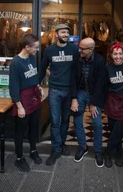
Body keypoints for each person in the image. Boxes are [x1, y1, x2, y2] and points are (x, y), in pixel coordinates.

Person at [39, 23, 79, 166]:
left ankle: (61, 143)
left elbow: (77, 71)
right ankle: (56, 149)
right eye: (63, 32)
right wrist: (37, 84)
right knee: (55, 121)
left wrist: (76, 94)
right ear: (56, 34)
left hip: (69, 91)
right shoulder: (49, 50)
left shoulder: (74, 49)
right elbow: (43, 68)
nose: (66, 35)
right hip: (55, 90)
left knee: (65, 120)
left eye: (67, 33)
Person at [9, 33, 44, 172]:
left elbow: (33, 75)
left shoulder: (31, 58)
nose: (37, 49)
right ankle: (19, 158)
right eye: (35, 47)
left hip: (34, 97)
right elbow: (14, 86)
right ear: (27, 47)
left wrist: (38, 86)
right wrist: (19, 106)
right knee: (20, 131)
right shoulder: (16, 62)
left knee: (33, 127)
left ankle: (33, 151)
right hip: (23, 99)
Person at [70, 37, 107, 168]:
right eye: (79, 47)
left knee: (97, 123)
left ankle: (98, 151)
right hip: (80, 92)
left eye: (82, 48)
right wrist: (74, 98)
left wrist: (94, 103)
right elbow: (73, 79)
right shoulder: (77, 58)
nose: (79, 50)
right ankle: (83, 146)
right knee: (77, 119)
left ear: (91, 49)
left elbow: (100, 83)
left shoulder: (100, 61)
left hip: (94, 95)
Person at [104, 41, 123, 168]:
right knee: (113, 130)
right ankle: (119, 152)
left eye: (120, 53)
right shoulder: (107, 68)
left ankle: (108, 153)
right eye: (115, 54)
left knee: (120, 129)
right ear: (111, 55)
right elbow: (104, 87)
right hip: (111, 101)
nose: (118, 56)